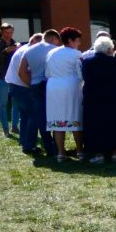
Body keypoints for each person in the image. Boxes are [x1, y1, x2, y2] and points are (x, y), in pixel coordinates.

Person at [81, 36, 116, 164]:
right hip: (111, 97)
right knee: (113, 125)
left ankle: (98, 155)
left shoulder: (87, 62)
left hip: (92, 98)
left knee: (95, 126)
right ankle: (115, 153)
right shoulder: (114, 61)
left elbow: (84, 77)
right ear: (109, 49)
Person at [44, 27, 85, 162]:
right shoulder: (76, 54)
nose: (79, 44)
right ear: (70, 40)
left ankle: (61, 153)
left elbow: (47, 73)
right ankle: (79, 151)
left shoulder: (51, 53)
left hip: (53, 86)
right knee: (75, 117)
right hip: (71, 86)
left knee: (57, 120)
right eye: (77, 41)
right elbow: (81, 73)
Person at [18, 30, 61, 156]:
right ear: (53, 39)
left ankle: (48, 147)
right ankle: (57, 147)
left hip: (35, 84)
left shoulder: (29, 50)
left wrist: (30, 84)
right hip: (50, 84)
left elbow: (21, 71)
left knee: (40, 116)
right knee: (55, 115)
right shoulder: (55, 49)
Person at [6, 33, 41, 153]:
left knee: (25, 115)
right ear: (35, 42)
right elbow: (24, 73)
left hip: (14, 85)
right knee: (33, 115)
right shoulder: (29, 52)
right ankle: (29, 145)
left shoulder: (23, 49)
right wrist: (31, 87)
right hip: (22, 86)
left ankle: (24, 140)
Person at [0, 23, 19, 137]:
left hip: (15, 78)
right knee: (3, 104)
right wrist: (4, 52)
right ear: (1, 32)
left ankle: (14, 126)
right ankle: (5, 129)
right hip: (2, 78)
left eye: (11, 32)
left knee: (16, 103)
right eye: (6, 33)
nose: (9, 35)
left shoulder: (16, 44)